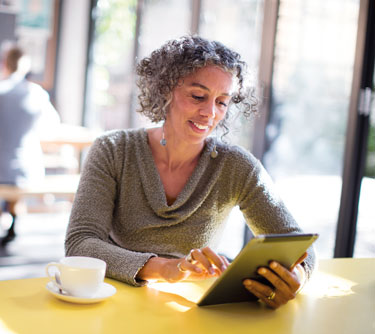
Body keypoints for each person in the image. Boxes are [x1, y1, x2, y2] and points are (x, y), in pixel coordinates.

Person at [65, 35, 315, 309]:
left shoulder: (236, 166)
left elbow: (299, 246)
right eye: (198, 96)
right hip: (113, 299)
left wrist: (296, 278)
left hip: (192, 307)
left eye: (222, 102)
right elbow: (81, 243)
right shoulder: (114, 150)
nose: (210, 112)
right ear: (165, 90)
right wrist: (167, 268)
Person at [0, 44, 60, 243]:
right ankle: (13, 222)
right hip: (26, 171)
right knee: (18, 161)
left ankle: (7, 218)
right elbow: (52, 128)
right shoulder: (37, 94)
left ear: (4, 64)